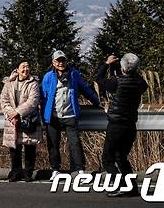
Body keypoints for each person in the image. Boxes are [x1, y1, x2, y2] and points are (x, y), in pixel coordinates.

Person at [41, 50, 100, 179]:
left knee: (75, 143)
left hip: (70, 115)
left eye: (62, 60)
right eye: (58, 61)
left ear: (66, 61)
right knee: (53, 144)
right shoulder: (48, 77)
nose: (60, 63)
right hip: (53, 116)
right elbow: (43, 97)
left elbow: (85, 89)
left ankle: (79, 169)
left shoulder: (74, 74)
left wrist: (96, 101)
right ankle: (55, 169)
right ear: (53, 62)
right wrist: (43, 116)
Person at [96, 53, 148, 197]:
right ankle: (131, 188)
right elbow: (136, 80)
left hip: (116, 125)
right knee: (121, 157)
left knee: (107, 158)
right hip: (130, 125)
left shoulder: (116, 82)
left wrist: (107, 63)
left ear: (123, 67)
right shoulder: (140, 83)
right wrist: (126, 71)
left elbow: (99, 79)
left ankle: (120, 185)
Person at [0, 61, 42, 182]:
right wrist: (11, 114)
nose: (26, 69)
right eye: (23, 67)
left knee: (29, 146)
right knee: (14, 148)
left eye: (28, 66)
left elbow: (33, 101)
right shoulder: (9, 83)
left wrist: (17, 113)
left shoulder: (33, 83)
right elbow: (4, 100)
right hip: (12, 121)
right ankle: (16, 172)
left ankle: (28, 172)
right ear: (17, 70)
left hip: (28, 119)